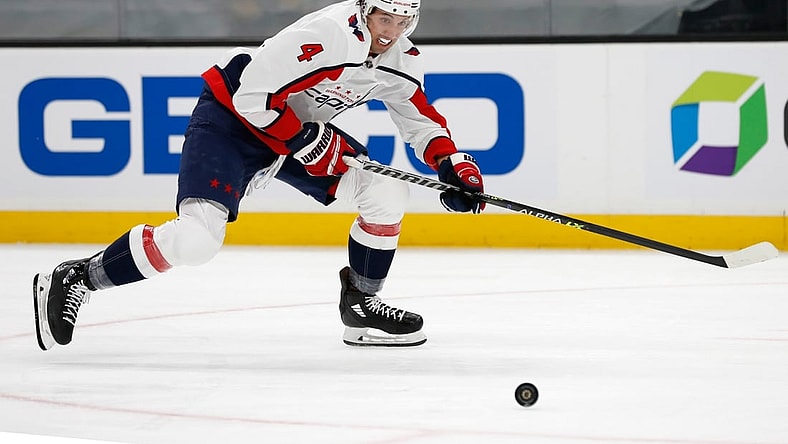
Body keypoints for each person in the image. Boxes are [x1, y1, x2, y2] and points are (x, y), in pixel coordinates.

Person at [32, 0, 485, 350]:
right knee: (196, 241)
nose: (391, 32)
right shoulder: (323, 34)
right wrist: (306, 142)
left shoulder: (401, 58)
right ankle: (80, 277)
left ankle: (361, 303)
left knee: (384, 191)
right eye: (385, 18)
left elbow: (421, 122)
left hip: (293, 132)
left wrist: (454, 166)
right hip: (232, 121)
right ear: (364, 10)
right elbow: (254, 98)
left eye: (403, 22)